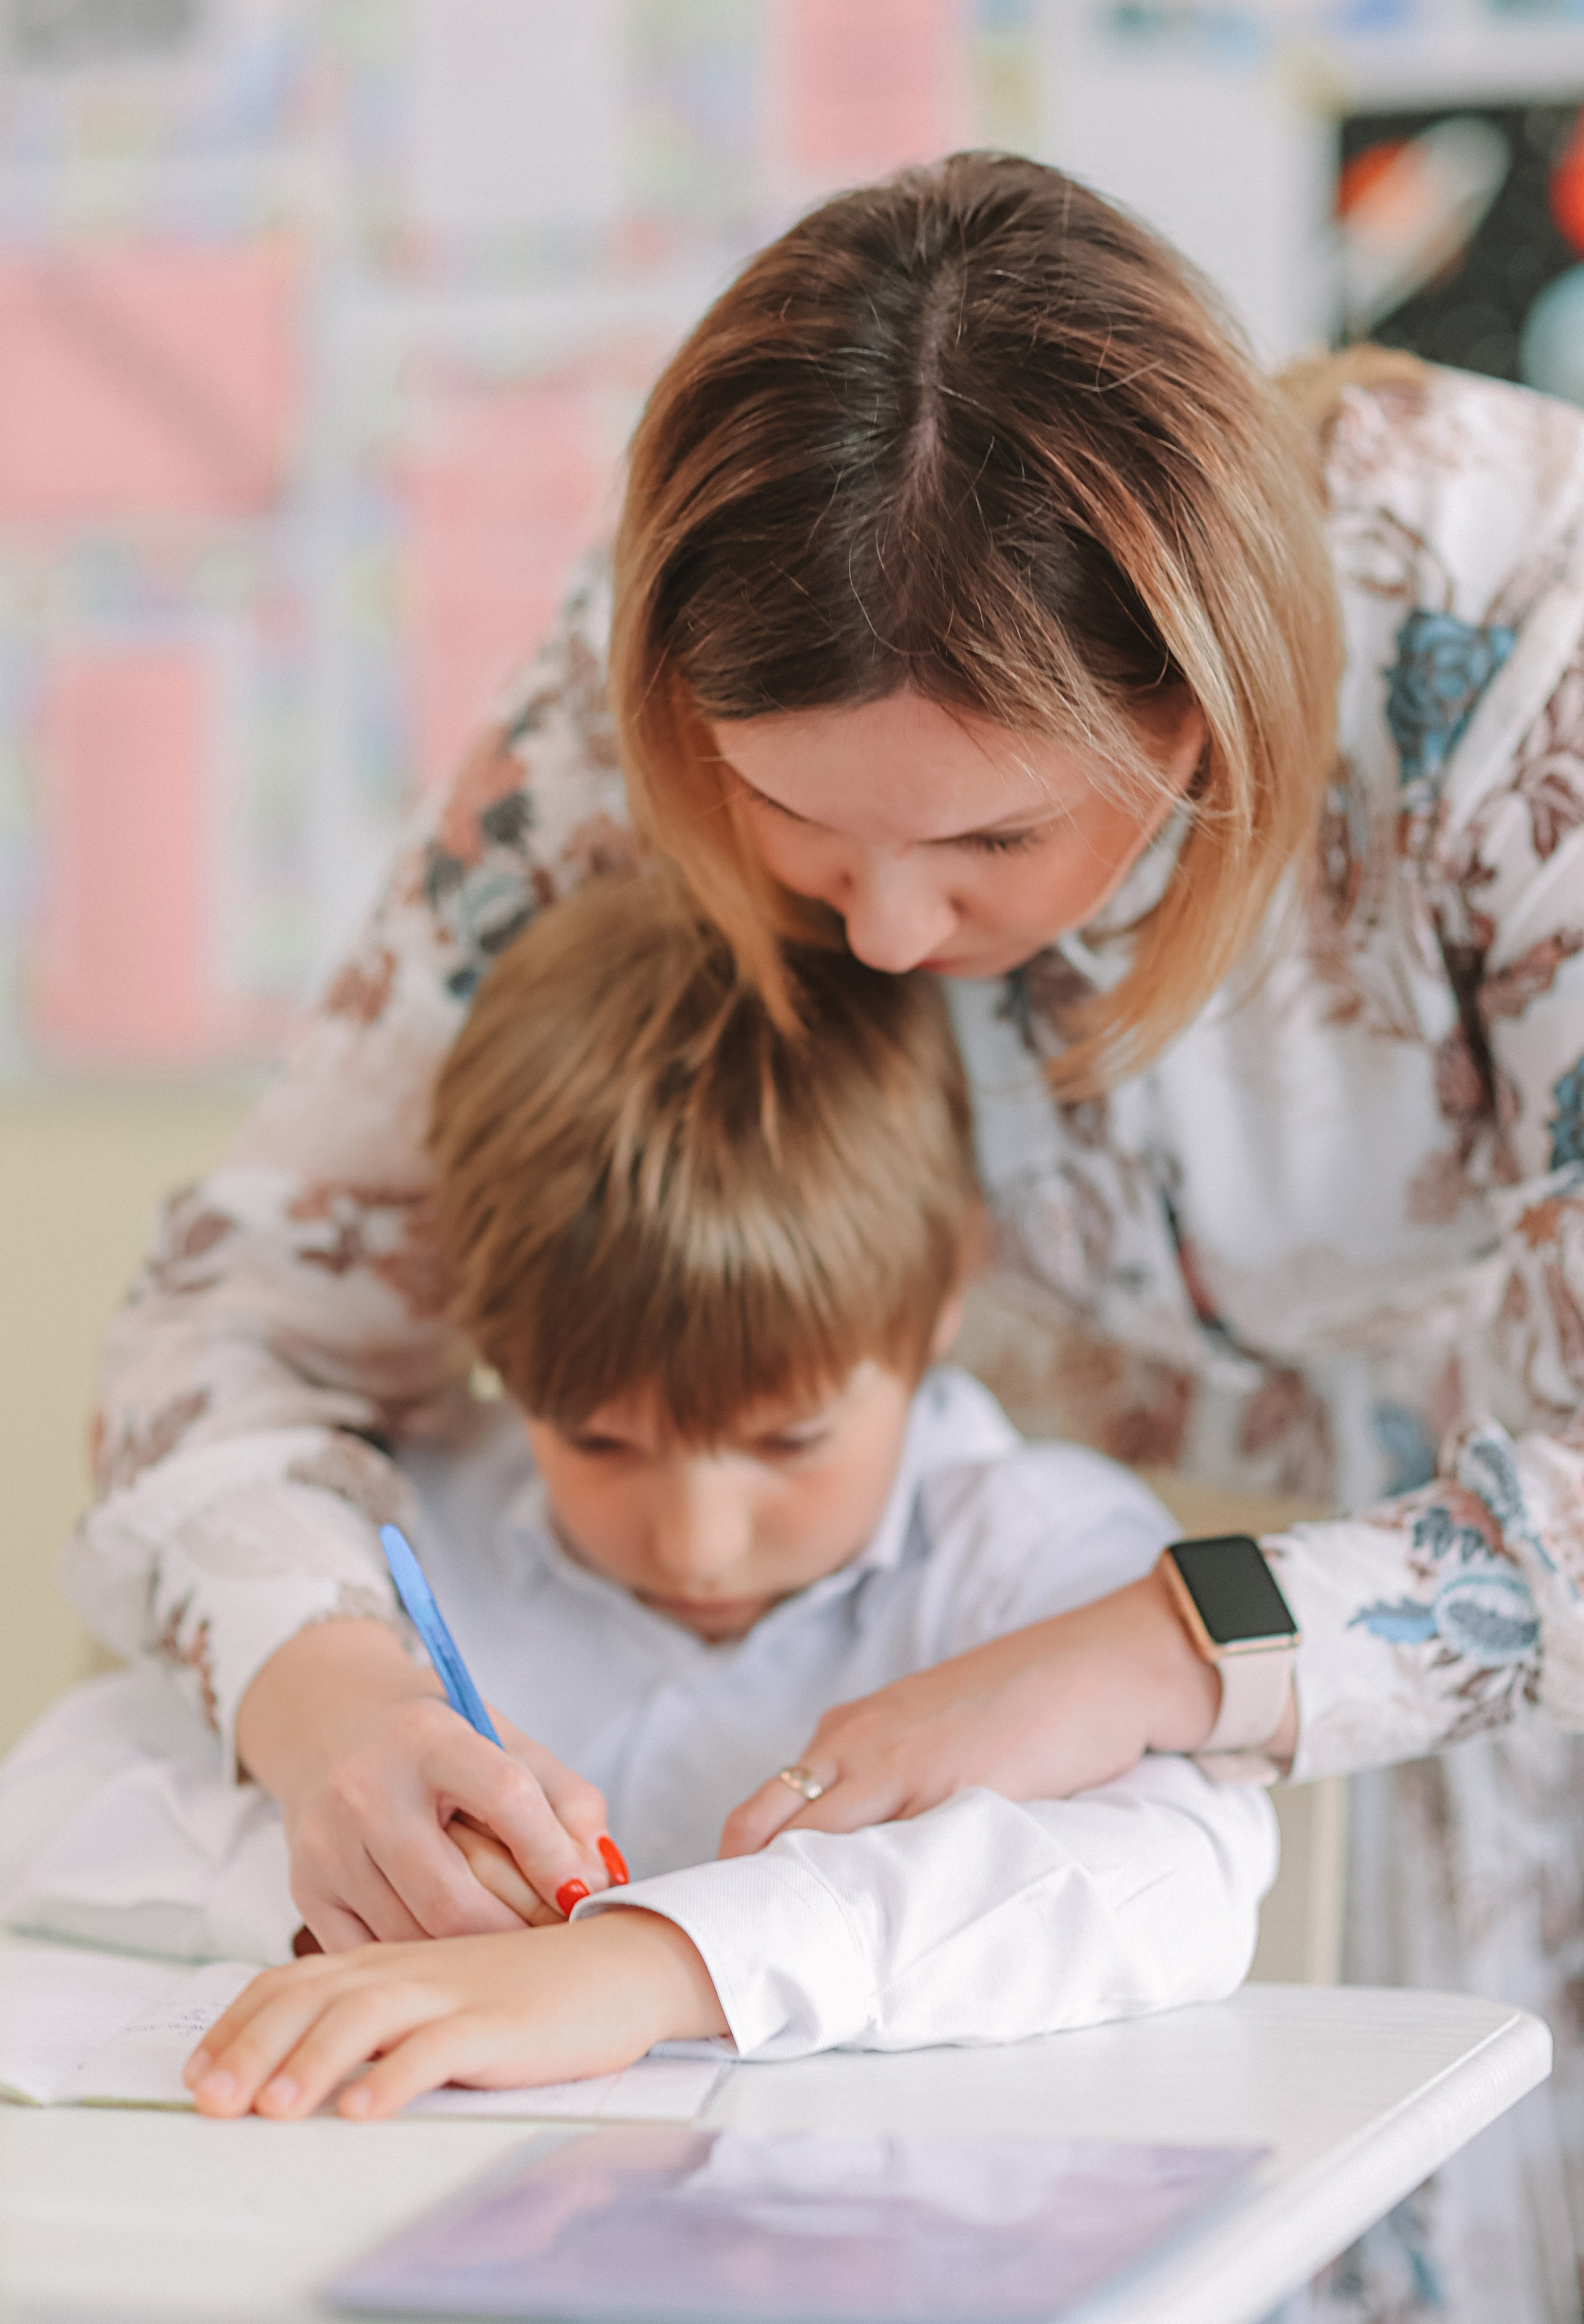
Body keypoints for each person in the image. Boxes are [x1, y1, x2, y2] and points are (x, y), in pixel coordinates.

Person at [58, 153, 1584, 2307]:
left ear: (1206, 717)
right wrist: (323, 1697)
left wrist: (1160, 1649)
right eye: (788, 816)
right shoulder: (643, 684)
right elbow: (234, 1324)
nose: (879, 926)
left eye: (990, 838)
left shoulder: (1532, 653)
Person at [2, 875, 1274, 2121]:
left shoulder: (1041, 1561)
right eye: (599, 1442)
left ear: (944, 1287)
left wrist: (649, 1965)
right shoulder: (386, 1548)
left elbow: (1182, 1878)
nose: (697, 1539)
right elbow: (50, 1811)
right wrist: (385, 1892)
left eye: (788, 1440)